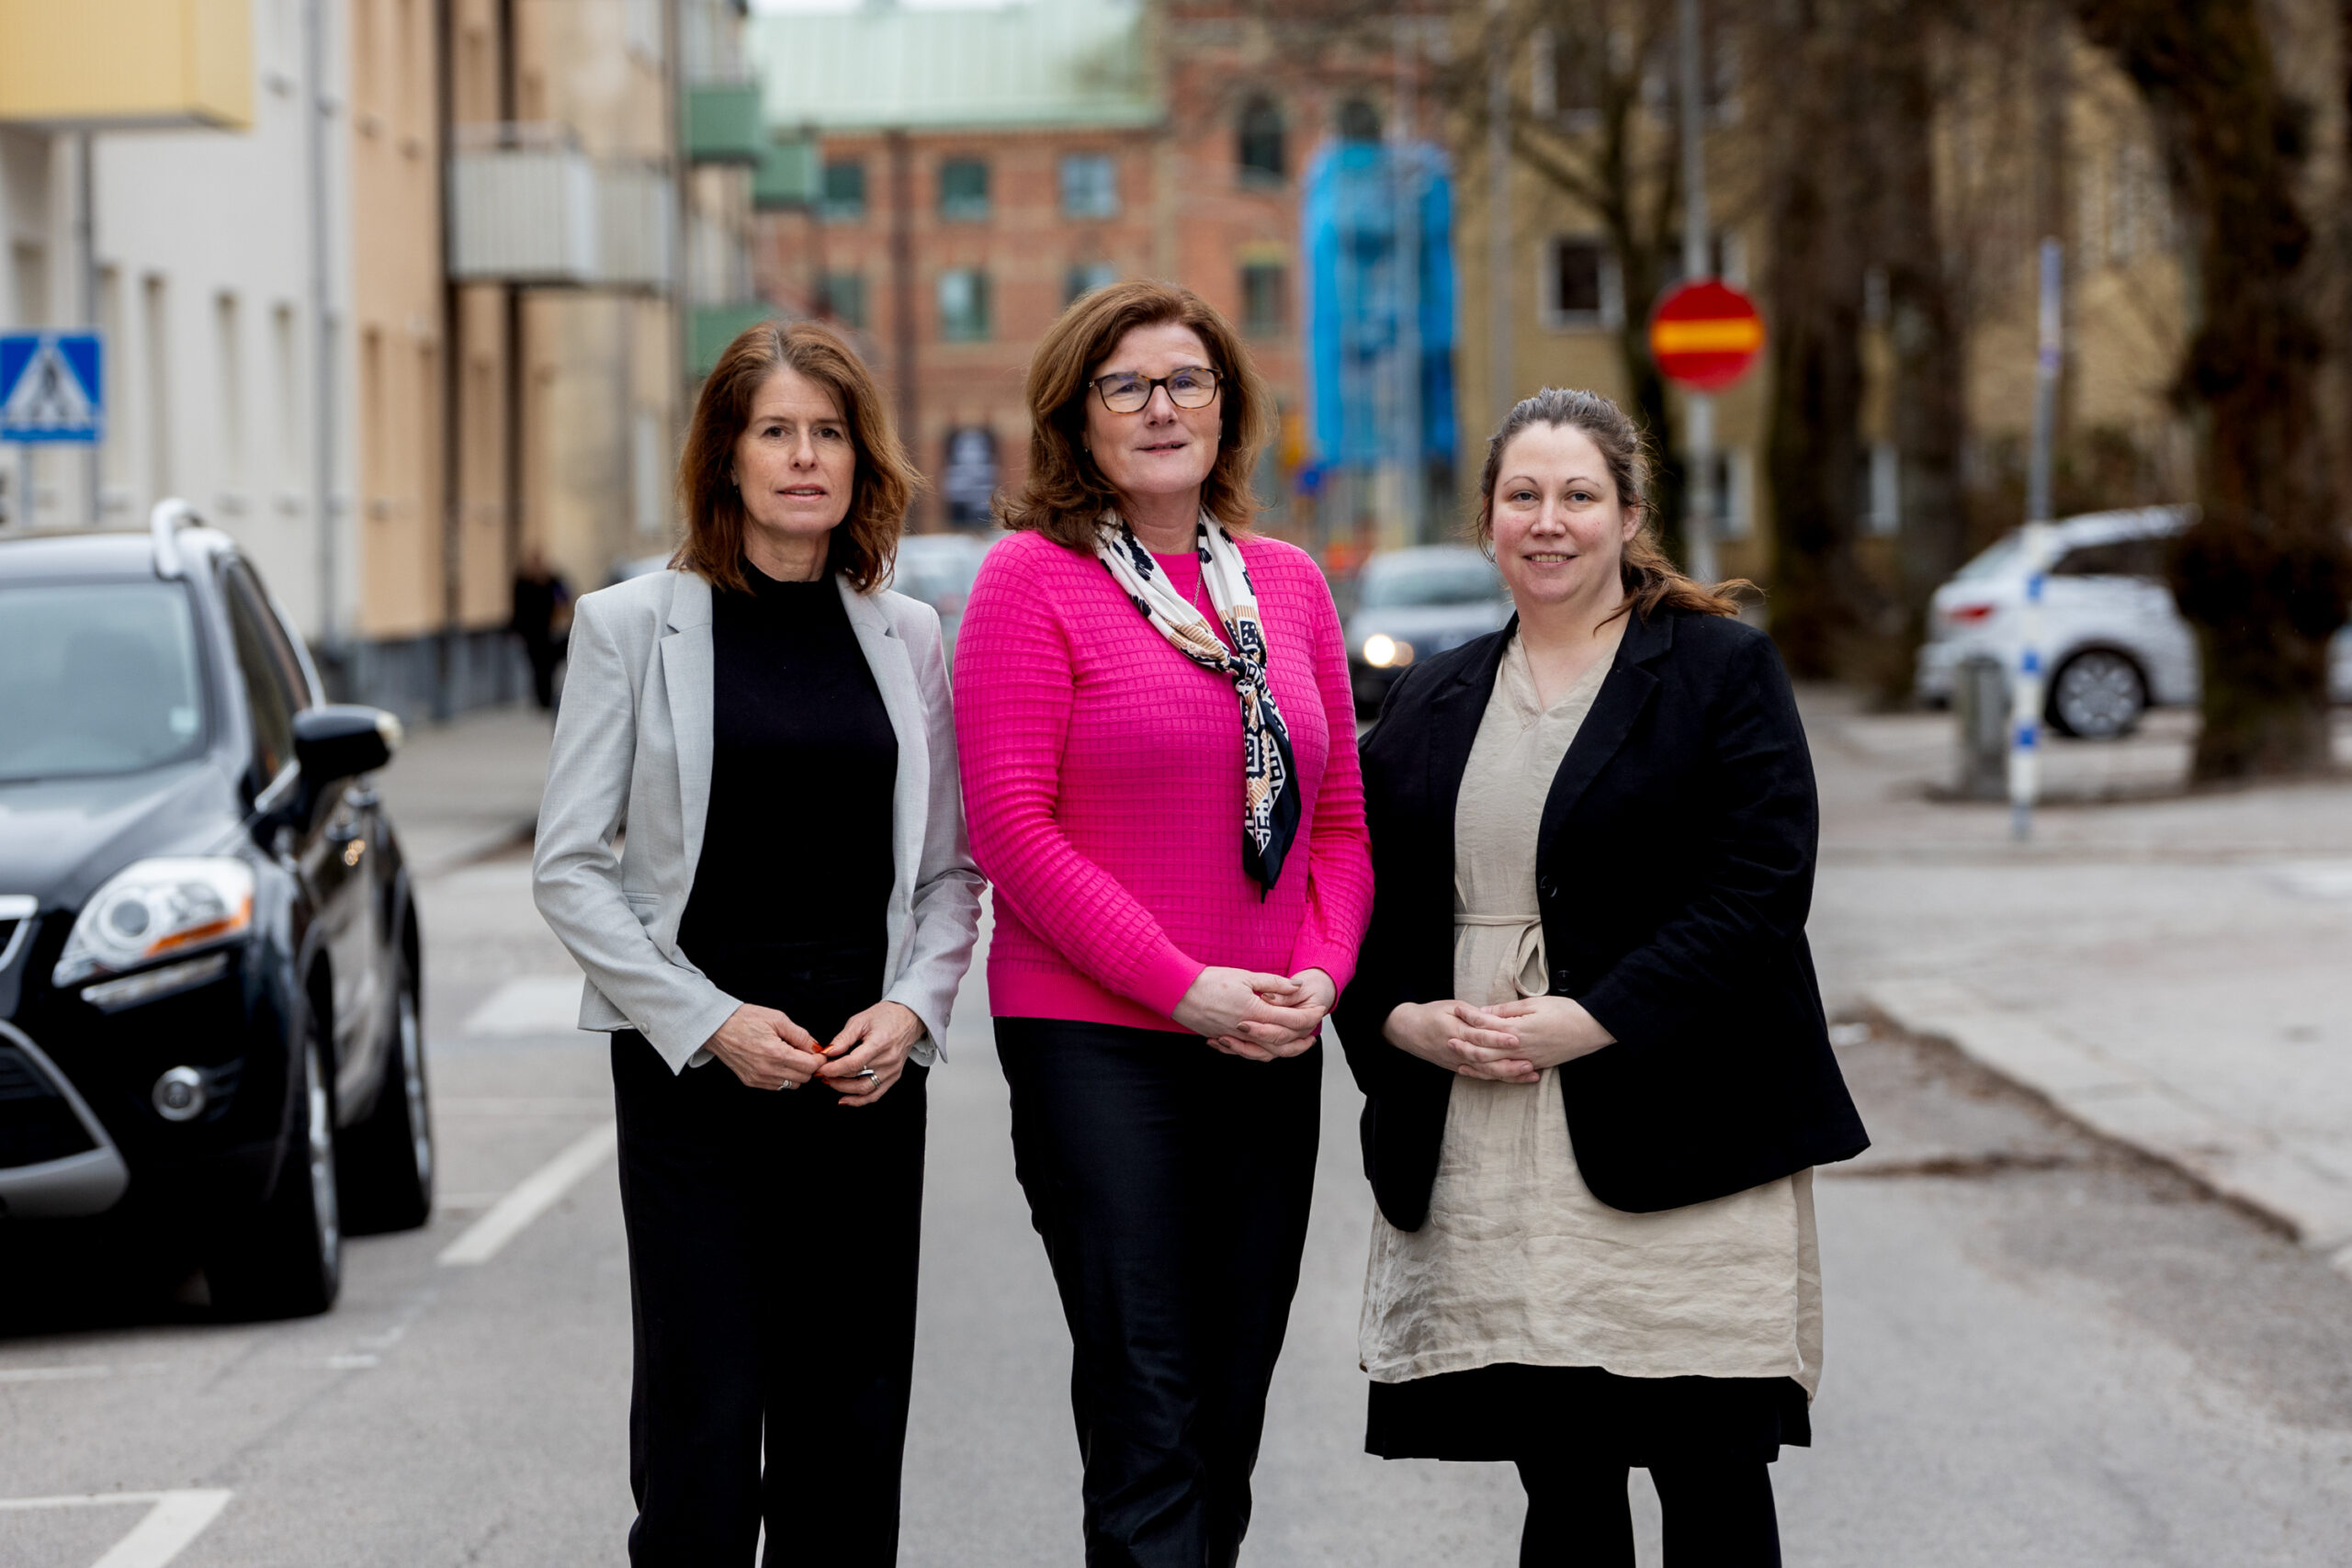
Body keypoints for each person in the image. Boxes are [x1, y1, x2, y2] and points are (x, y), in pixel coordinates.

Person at [1334, 388, 1871, 1568]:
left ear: (1629, 515)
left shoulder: (1720, 670)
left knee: (1709, 1475)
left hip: (1681, 1125)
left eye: (1578, 495)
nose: (1548, 520)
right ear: (1487, 520)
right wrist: (1399, 1018)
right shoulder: (1433, 695)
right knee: (1563, 1480)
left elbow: (1758, 892)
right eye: (1522, 495)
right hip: (1495, 1141)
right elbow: (1362, 890)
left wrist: (1594, 1018)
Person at [532, 319, 982, 1566]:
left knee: (848, 1431)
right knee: (705, 1431)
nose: (803, 457)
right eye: (774, 431)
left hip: (864, 1078)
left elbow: (950, 875)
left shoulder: (911, 635)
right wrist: (709, 1021)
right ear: (724, 456)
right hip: (696, 1079)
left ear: (861, 458)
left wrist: (912, 1013)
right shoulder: (632, 626)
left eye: (828, 432)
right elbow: (569, 866)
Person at [953, 279, 1373, 1567]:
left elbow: (1342, 831)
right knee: (1149, 1388)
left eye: (1187, 380)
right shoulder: (1033, 580)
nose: (1160, 407)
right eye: (1125, 384)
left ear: (1227, 408)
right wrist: (1183, 985)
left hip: (1267, 1039)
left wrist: (1317, 974)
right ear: (1077, 418)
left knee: (1231, 1394)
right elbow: (1013, 832)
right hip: (1100, 1043)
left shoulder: (1287, 588)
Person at [510, 546, 571, 709]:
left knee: (548, 666)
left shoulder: (552, 580)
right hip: (531, 633)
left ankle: (546, 699)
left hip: (549, 632)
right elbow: (517, 607)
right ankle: (541, 699)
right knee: (536, 666)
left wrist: (562, 618)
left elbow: (565, 598)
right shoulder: (523, 581)